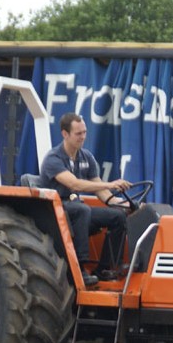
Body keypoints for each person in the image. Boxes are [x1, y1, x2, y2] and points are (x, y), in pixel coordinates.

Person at [40, 112, 132, 286]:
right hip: (55, 210)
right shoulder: (53, 159)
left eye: (84, 132)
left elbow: (101, 191)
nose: (83, 137)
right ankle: (79, 268)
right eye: (78, 133)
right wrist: (111, 184)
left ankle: (105, 268)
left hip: (75, 207)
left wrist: (122, 204)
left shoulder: (86, 157)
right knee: (82, 210)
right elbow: (74, 184)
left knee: (117, 216)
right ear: (65, 134)